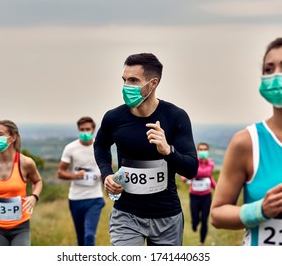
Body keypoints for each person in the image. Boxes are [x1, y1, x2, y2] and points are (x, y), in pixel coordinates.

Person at [210, 37, 282, 246]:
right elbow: (217, 215)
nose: (276, 76)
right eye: (268, 70)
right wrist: (259, 211)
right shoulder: (246, 142)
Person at [94, 53, 198, 246]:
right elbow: (100, 145)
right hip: (126, 214)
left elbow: (191, 170)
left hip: (167, 217)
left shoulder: (176, 117)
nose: (126, 86)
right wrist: (107, 174)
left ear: (153, 83)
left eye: (133, 80)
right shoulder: (114, 118)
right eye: (124, 80)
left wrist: (168, 151)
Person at [57, 116, 105, 246]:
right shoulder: (70, 148)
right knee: (81, 237)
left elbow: (108, 168)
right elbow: (60, 172)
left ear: (93, 130)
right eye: (82, 129)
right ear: (78, 130)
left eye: (87, 129)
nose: (85, 132)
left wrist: (103, 175)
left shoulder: (100, 146)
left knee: (89, 235)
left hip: (95, 197)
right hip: (76, 198)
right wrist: (75, 176)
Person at [181, 142, 216, 245]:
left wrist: (217, 187)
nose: (203, 151)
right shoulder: (194, 163)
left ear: (208, 151)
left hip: (206, 196)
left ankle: (202, 242)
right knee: (195, 218)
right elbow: (185, 176)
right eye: (200, 149)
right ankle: (194, 224)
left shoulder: (211, 164)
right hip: (194, 196)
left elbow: (209, 178)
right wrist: (185, 177)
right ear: (198, 151)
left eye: (205, 149)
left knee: (205, 219)